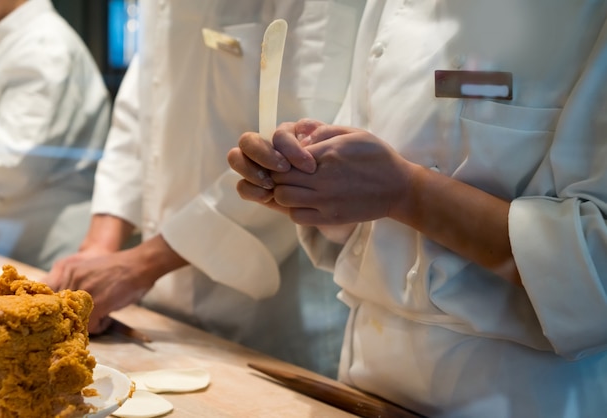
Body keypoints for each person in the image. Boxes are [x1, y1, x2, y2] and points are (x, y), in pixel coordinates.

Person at [228, 1, 607, 416]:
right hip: (364, 377)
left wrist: (408, 192)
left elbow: (597, 268)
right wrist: (308, 177)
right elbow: (359, 211)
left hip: (520, 393)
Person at [45, 0, 364, 378]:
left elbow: (303, 153)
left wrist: (143, 263)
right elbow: (139, 114)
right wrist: (101, 246)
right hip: (155, 298)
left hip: (271, 313)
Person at [0, 0, 110, 270]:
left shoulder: (45, 46)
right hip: (4, 242)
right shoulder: (1, 40)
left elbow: (9, 168)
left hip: (46, 250)